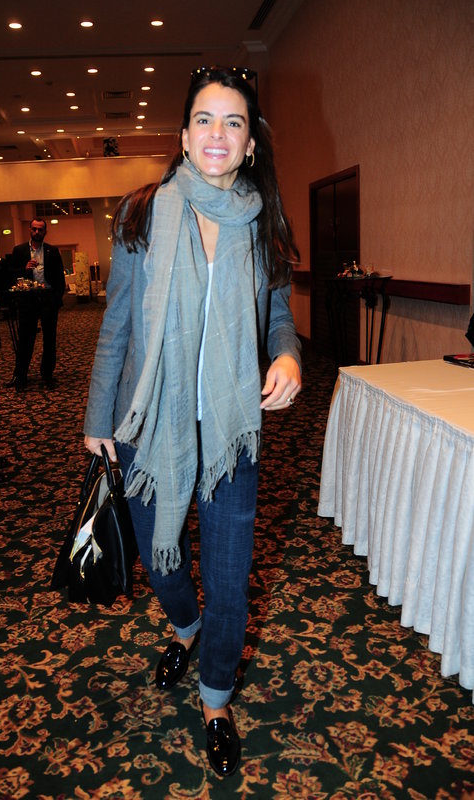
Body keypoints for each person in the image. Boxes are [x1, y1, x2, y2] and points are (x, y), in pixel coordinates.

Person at [83, 65, 302, 777]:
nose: (217, 133)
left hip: (231, 432)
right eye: (204, 119)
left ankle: (215, 700)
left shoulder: (262, 224)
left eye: (233, 122)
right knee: (162, 562)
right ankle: (186, 626)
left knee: (231, 582)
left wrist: (288, 356)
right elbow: (116, 325)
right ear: (182, 136)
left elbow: (278, 319)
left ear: (249, 144)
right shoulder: (143, 213)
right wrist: (98, 418)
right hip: (150, 427)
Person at [8, 219, 65, 390]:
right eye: (34, 229)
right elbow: (10, 275)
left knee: (50, 339)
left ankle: (47, 375)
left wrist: (56, 299)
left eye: (40, 229)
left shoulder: (52, 251)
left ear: (45, 231)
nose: (37, 232)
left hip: (48, 298)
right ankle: (20, 376)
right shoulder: (19, 250)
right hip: (28, 299)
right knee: (25, 339)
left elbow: (59, 278)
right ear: (29, 230)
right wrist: (24, 269)